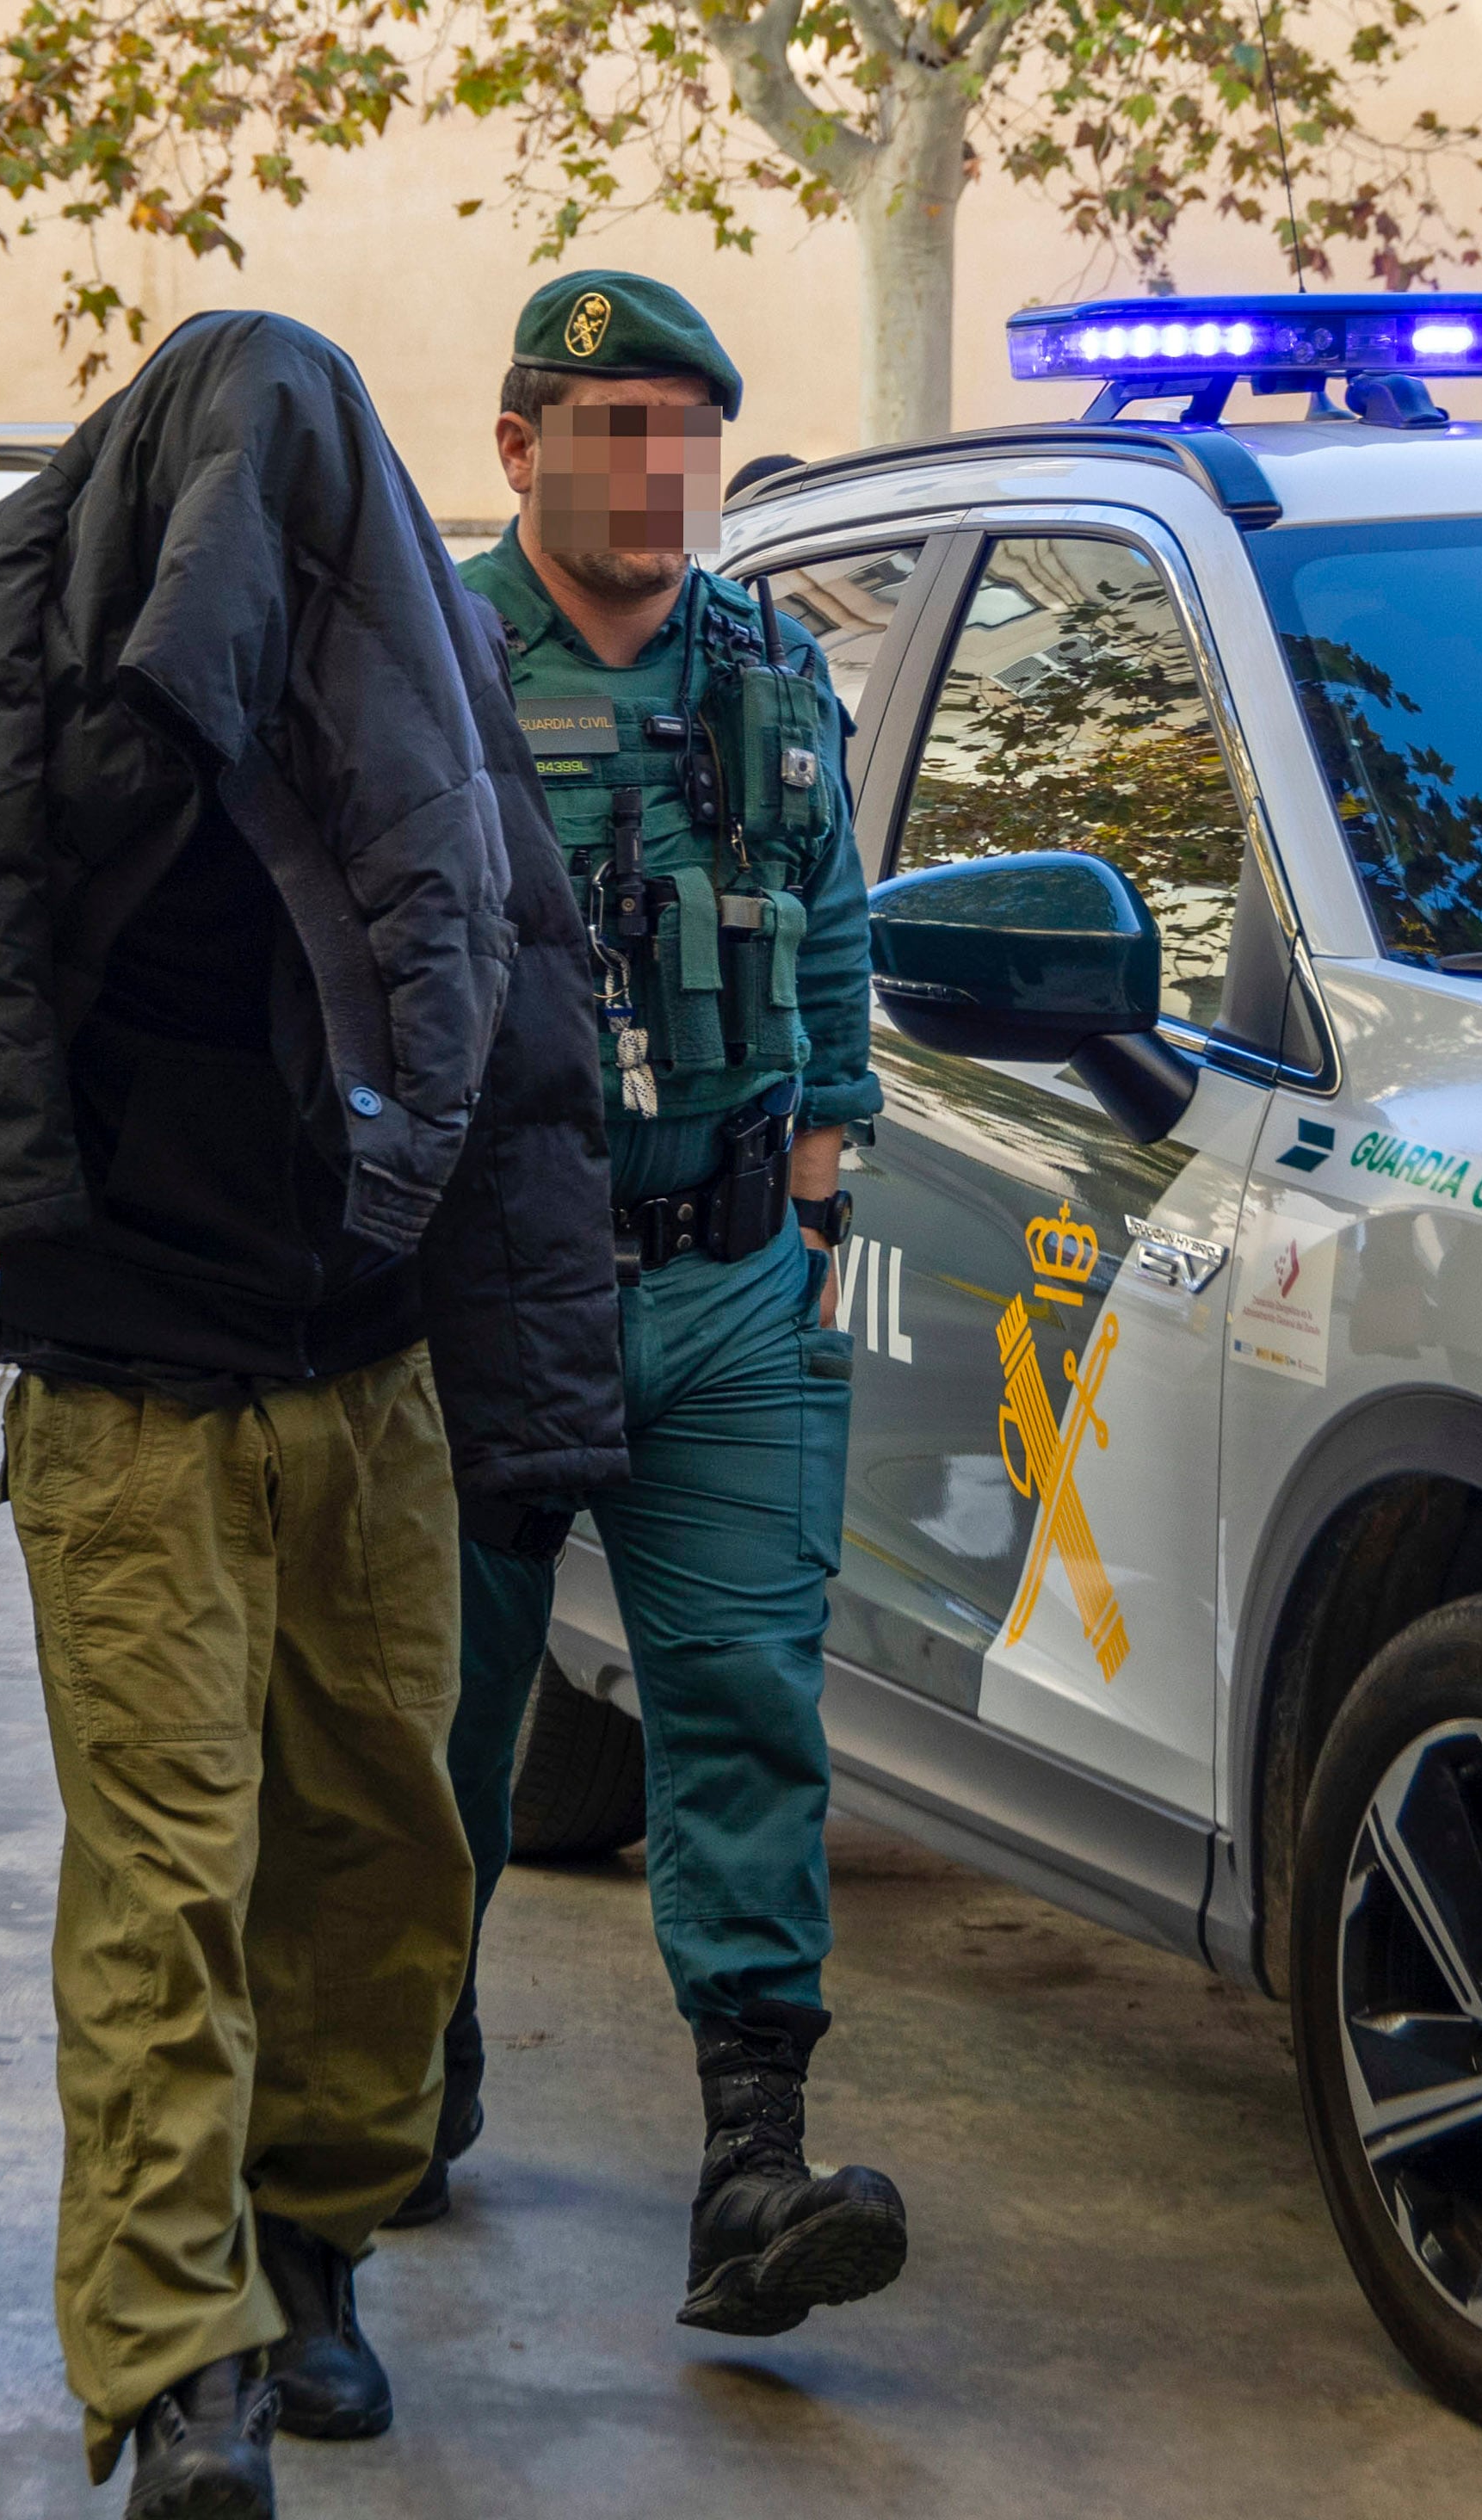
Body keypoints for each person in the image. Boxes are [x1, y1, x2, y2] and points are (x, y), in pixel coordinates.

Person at [0, 311, 621, 2520]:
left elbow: (526, 1040)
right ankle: (179, 2366)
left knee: (376, 1848)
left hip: (364, 1378)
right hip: (129, 1403)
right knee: (164, 1886)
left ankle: (320, 2242)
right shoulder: (9, 679)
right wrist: (2, 1244)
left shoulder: (429, 693)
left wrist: (538, 1393)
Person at [426, 270, 908, 2337]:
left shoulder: (765, 665)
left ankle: (749, 2164)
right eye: (610, 425)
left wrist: (809, 1201)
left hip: (721, 1283)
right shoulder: (423, 656)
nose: (655, 467)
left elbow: (824, 926)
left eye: (684, 429)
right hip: (480, 1301)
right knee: (431, 1727)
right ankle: (396, 2085)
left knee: (742, 1710)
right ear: (520, 444)